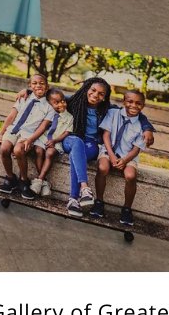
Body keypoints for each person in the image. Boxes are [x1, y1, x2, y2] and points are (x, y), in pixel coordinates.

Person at [60, 78, 155, 218]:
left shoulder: (107, 109)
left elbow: (134, 112)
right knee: (77, 143)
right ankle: (83, 189)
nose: (95, 95)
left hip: (91, 144)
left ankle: (74, 201)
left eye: (101, 93)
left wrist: (147, 128)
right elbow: (50, 95)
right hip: (71, 139)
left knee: (77, 156)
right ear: (86, 89)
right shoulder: (72, 102)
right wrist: (28, 91)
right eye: (93, 90)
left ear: (105, 97)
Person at [92, 89, 149, 226]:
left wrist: (124, 160)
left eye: (138, 103)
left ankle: (127, 209)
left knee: (130, 175)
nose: (133, 105)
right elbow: (106, 135)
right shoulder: (113, 114)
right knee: (102, 168)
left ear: (143, 105)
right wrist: (111, 155)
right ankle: (99, 202)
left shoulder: (143, 125)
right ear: (124, 102)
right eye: (129, 101)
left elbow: (136, 149)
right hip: (108, 150)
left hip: (128, 155)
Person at [0, 73, 49, 195]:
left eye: (42, 83)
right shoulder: (23, 98)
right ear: (30, 85)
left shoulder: (48, 106)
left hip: (29, 135)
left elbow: (42, 127)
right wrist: (2, 132)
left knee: (18, 150)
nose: (38, 86)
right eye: (34, 83)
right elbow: (11, 116)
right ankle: (10, 178)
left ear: (47, 86)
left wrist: (30, 140)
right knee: (4, 148)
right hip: (13, 130)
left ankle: (24, 180)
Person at [29, 87, 73, 197]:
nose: (61, 104)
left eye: (63, 100)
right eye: (56, 102)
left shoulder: (69, 117)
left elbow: (67, 132)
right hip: (43, 138)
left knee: (50, 153)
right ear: (49, 103)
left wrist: (55, 140)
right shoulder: (48, 112)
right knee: (38, 150)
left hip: (56, 140)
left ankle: (39, 179)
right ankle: (44, 182)